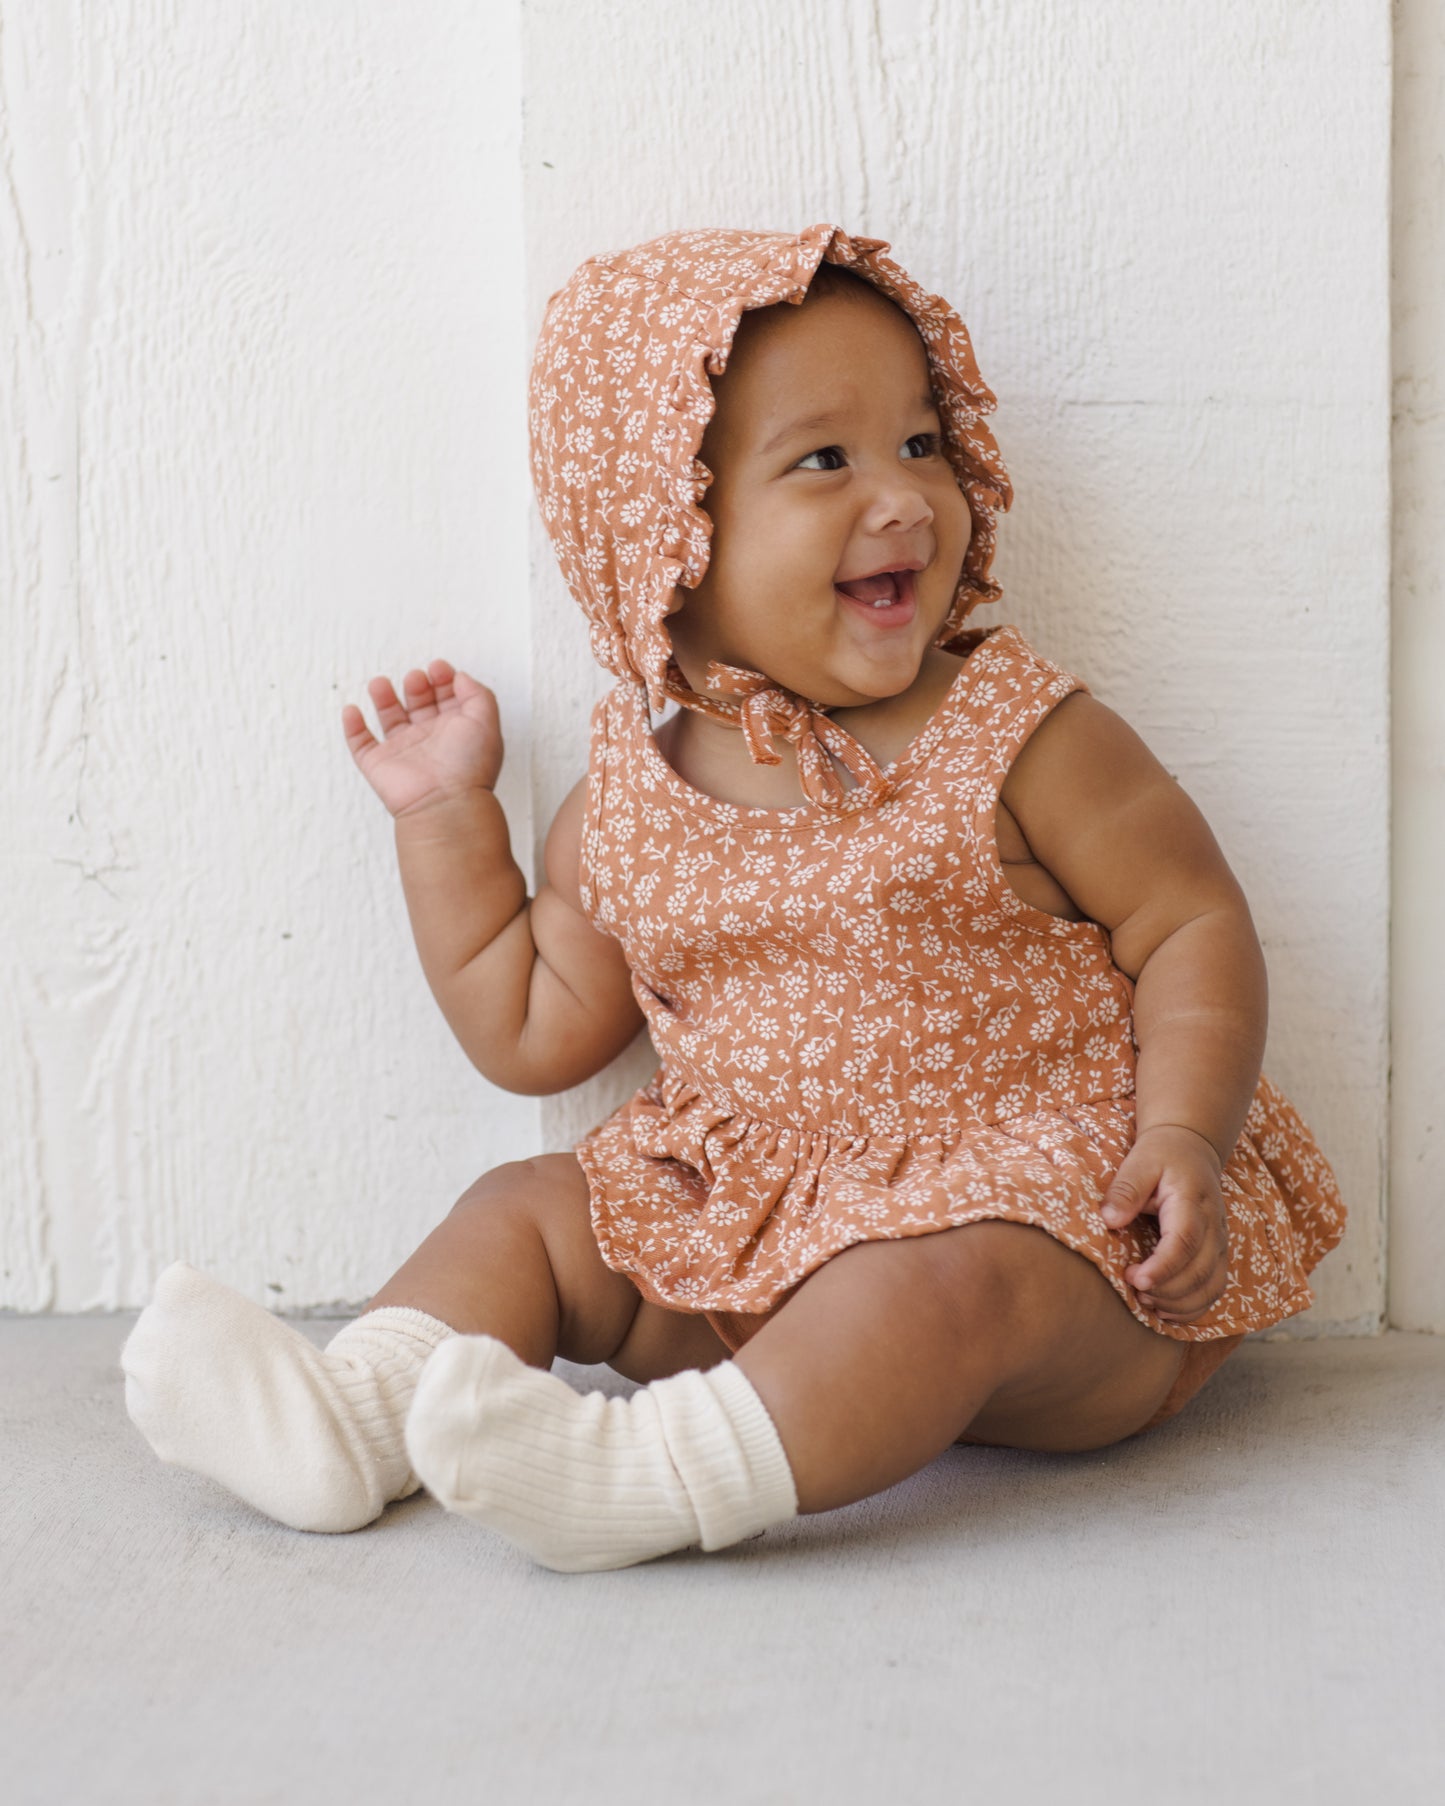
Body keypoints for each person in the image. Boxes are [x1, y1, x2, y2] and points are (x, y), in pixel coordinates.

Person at [122, 224, 1346, 1572]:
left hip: (1050, 1252)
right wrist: (445, 817)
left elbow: (1185, 921)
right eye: (823, 460)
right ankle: (356, 1416)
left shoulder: (1013, 727)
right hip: (753, 1244)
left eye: (922, 444)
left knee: (930, 1276)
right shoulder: (631, 801)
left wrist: (1185, 1129)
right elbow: (529, 1025)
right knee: (531, 1205)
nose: (902, 498)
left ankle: (658, 1474)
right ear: (666, 540)